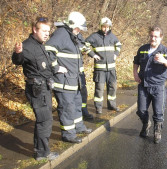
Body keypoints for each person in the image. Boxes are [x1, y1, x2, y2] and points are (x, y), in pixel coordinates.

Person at [12, 17, 58, 161]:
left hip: (45, 88)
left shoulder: (40, 45)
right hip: (37, 90)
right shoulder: (27, 46)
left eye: (48, 31)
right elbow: (18, 61)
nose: (46, 34)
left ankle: (41, 151)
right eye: (44, 31)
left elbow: (45, 66)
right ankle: (42, 153)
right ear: (34, 30)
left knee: (45, 120)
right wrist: (18, 53)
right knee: (44, 120)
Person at [45, 12, 92, 144]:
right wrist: (56, 68)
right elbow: (48, 51)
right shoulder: (61, 34)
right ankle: (68, 134)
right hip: (63, 82)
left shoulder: (72, 35)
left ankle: (79, 127)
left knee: (77, 104)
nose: (79, 31)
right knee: (67, 108)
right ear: (72, 25)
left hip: (73, 80)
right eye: (78, 28)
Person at [133, 27, 167, 144]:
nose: (153, 38)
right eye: (152, 36)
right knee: (141, 110)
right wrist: (135, 74)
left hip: (158, 86)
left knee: (158, 112)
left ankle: (157, 131)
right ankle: (146, 124)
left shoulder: (165, 51)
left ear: (161, 37)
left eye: (156, 36)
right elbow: (136, 62)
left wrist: (164, 61)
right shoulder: (142, 49)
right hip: (143, 85)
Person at [85, 17, 122, 114]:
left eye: (107, 27)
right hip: (100, 70)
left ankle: (112, 105)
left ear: (110, 27)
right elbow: (83, 44)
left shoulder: (112, 36)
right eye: (104, 27)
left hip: (111, 69)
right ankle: (98, 108)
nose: (106, 29)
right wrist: (92, 54)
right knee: (99, 89)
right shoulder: (94, 36)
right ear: (101, 26)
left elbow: (118, 45)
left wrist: (116, 54)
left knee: (112, 88)